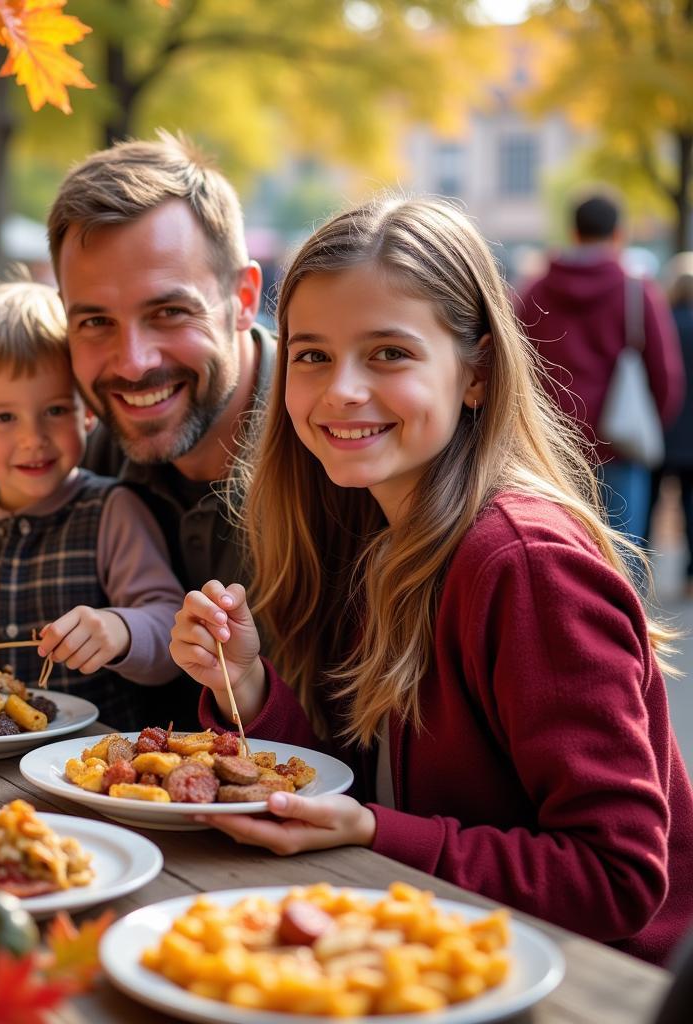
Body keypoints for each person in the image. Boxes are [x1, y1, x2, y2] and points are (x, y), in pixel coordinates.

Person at [170, 196, 693, 965]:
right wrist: (245, 684)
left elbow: (615, 878)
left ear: (475, 372)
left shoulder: (526, 565)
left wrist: (382, 835)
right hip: (435, 947)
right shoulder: (367, 528)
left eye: (388, 353)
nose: (342, 388)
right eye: (312, 354)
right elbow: (368, 778)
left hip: (598, 983)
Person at [0, 280, 184, 730]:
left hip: (87, 767)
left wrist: (121, 630)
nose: (32, 438)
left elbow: (169, 625)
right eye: (4, 417)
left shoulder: (112, 511)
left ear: (87, 411)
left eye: (55, 410)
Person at [47, 131, 269, 724]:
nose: (133, 362)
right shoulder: (90, 457)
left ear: (243, 298)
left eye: (168, 312)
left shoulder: (337, 448)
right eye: (95, 321)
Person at [514, 193, 684, 546]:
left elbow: (514, 364)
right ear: (619, 234)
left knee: (560, 550)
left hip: (551, 444)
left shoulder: (534, 291)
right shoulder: (636, 291)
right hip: (619, 442)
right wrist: (648, 426)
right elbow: (666, 375)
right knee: (621, 557)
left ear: (573, 233)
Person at [649, 253, 693, 597]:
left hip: (662, 430)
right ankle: (690, 576)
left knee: (648, 503)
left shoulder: (662, 323)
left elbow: (659, 375)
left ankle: (641, 572)